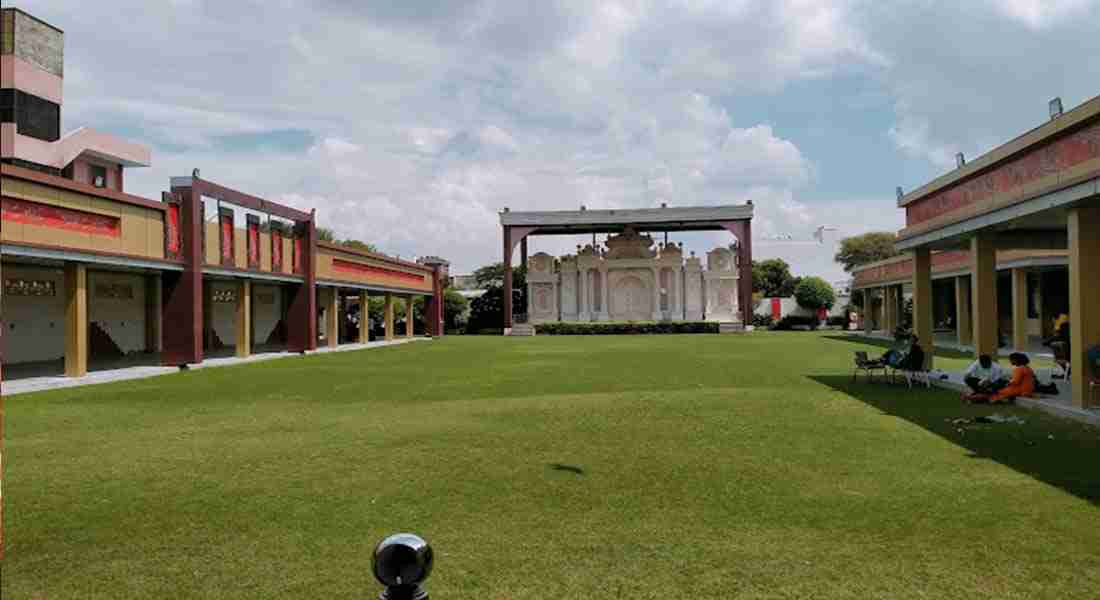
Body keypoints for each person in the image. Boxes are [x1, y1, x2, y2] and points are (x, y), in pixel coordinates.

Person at [969, 353, 1035, 404]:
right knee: (996, 388)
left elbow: (1015, 382)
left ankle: (974, 397)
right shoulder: (1028, 368)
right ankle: (975, 397)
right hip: (1027, 390)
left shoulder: (1019, 369)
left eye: (1011, 360)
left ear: (1016, 360)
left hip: (1021, 390)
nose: (1010, 361)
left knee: (996, 391)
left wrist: (1007, 382)